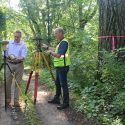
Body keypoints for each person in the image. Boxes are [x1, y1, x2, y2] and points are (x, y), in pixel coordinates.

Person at [42, 27, 71, 110]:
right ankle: (56, 99)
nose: (55, 35)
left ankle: (66, 103)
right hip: (59, 67)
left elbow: (58, 55)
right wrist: (48, 48)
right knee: (58, 83)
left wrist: (50, 52)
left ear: (61, 33)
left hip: (63, 67)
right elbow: (56, 50)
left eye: (56, 33)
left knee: (63, 85)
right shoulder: (61, 43)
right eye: (55, 33)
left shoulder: (64, 42)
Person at [6, 30, 27, 107]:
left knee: (18, 82)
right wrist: (7, 56)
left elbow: (23, 56)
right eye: (15, 36)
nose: (16, 38)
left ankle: (16, 101)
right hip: (9, 64)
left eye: (18, 37)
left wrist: (18, 58)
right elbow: (4, 53)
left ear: (20, 37)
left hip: (19, 65)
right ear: (13, 36)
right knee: (8, 81)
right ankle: (8, 100)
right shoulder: (8, 43)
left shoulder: (23, 45)